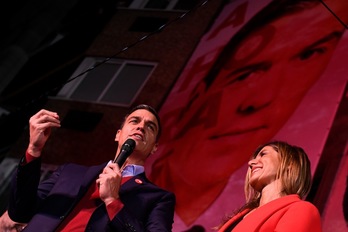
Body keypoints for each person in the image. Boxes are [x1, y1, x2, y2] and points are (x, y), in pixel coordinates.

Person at [147, 0, 348, 228]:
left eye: (263, 154)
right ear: (196, 97)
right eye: (244, 75)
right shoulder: (234, 218)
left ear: (290, 167)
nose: (252, 161)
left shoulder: (300, 210)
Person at [6, 104, 176, 231]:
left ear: (154, 147)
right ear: (118, 134)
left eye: (150, 127)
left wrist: (113, 201)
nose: (141, 127)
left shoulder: (158, 198)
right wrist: (33, 150)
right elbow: (20, 212)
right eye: (135, 121)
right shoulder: (70, 172)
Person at [216, 141, 322, 232]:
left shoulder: (301, 210)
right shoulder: (237, 218)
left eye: (263, 154)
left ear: (290, 163)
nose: (251, 163)